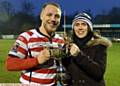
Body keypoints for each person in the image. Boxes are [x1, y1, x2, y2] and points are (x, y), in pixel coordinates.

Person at [5, 2, 64, 85]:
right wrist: (37, 60)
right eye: (49, 15)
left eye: (57, 16)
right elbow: (10, 64)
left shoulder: (60, 41)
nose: (53, 19)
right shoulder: (26, 37)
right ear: (41, 16)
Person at [62, 13, 112, 86]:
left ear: (89, 27)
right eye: (77, 24)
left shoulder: (99, 45)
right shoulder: (69, 45)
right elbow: (68, 70)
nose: (80, 28)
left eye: (83, 24)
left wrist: (78, 55)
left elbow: (98, 73)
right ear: (73, 28)